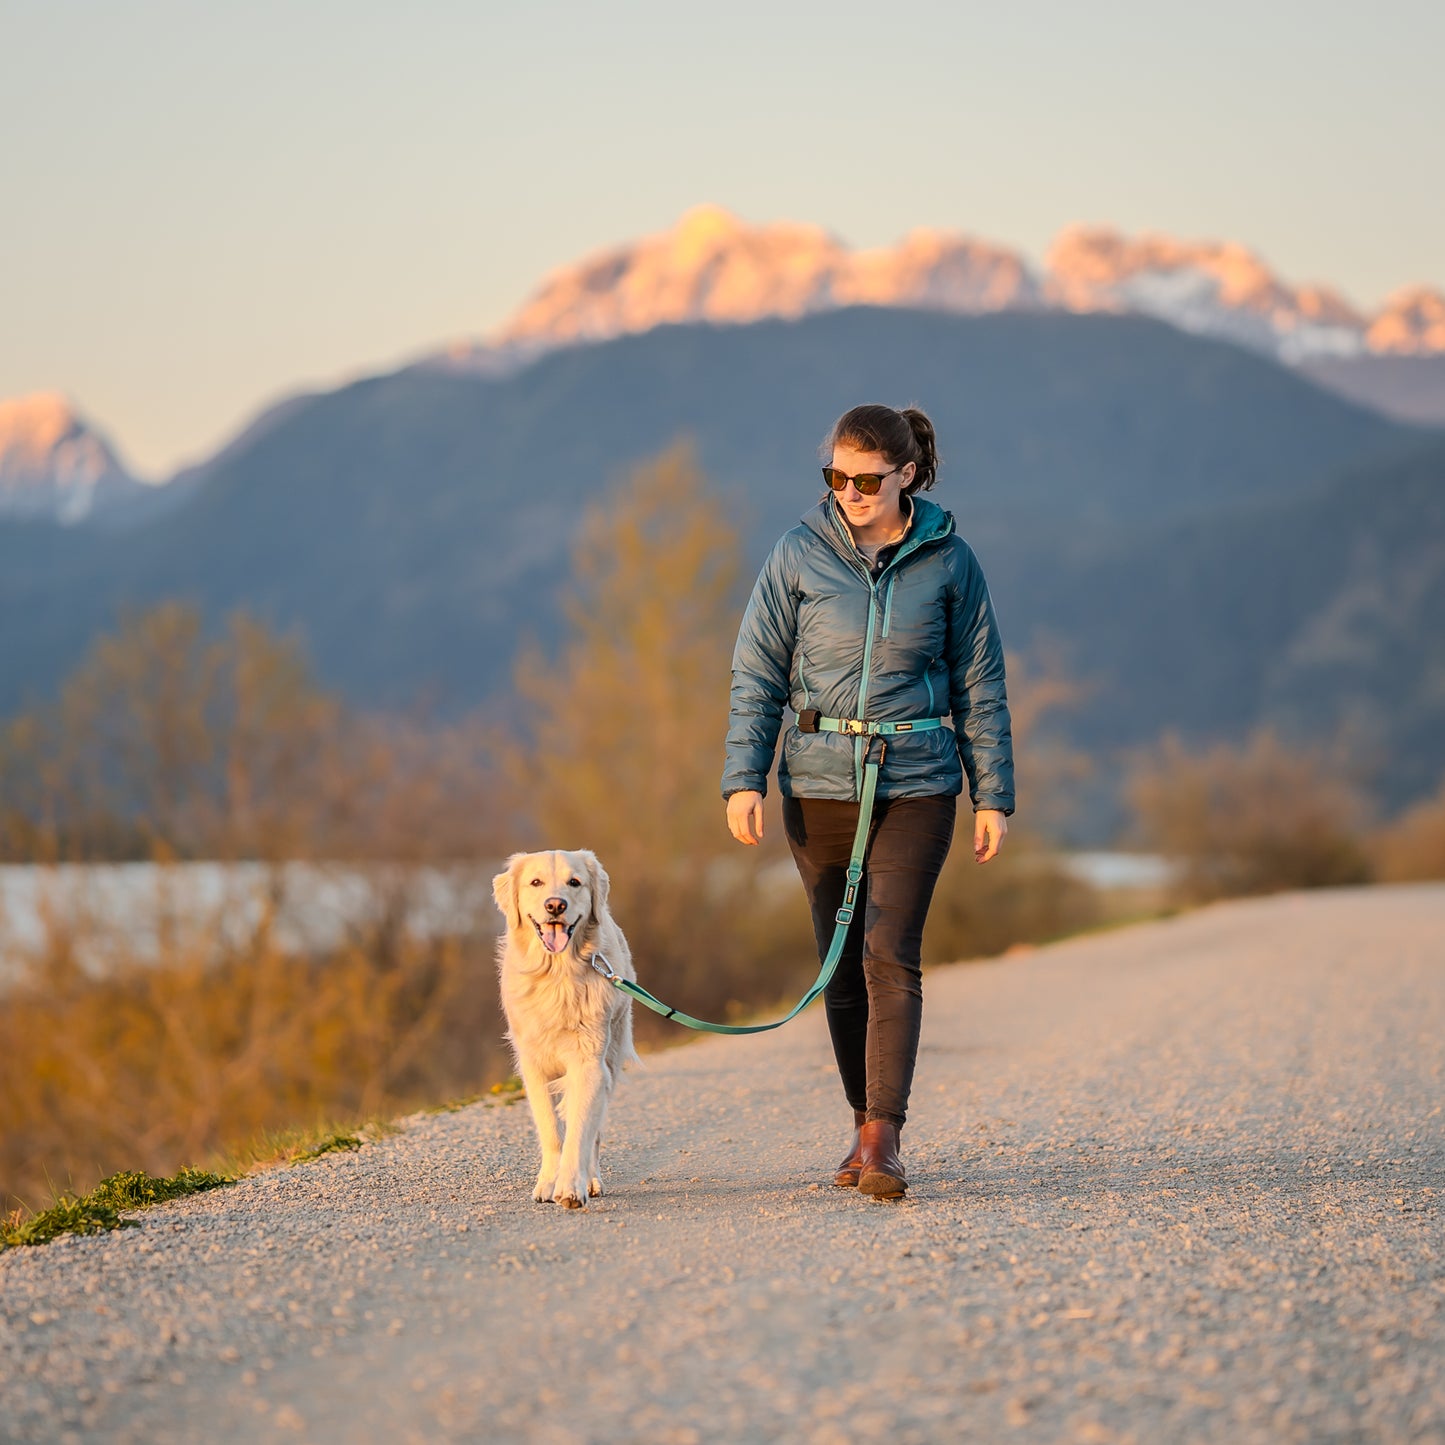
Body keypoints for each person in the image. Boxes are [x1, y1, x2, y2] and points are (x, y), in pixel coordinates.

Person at [721, 402, 1014, 1200]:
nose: (849, 490)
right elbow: (756, 675)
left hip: (917, 777)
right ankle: (859, 1119)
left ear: (906, 475)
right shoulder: (795, 555)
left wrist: (993, 793)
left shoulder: (952, 563)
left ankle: (882, 1137)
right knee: (839, 963)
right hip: (816, 781)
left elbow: (979, 683)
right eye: (836, 476)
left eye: (866, 478)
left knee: (889, 950)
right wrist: (742, 777)